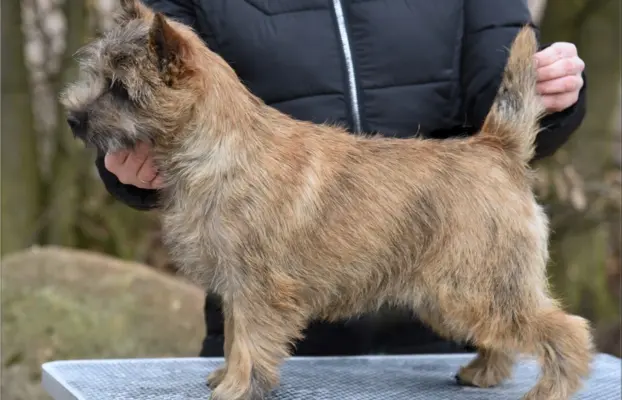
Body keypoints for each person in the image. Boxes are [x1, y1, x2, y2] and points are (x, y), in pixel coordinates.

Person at [95, 0, 587, 358]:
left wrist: (553, 94)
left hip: (436, 342)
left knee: (492, 310)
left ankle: (556, 350)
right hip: (258, 334)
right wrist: (127, 167)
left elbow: (500, 102)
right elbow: (151, 84)